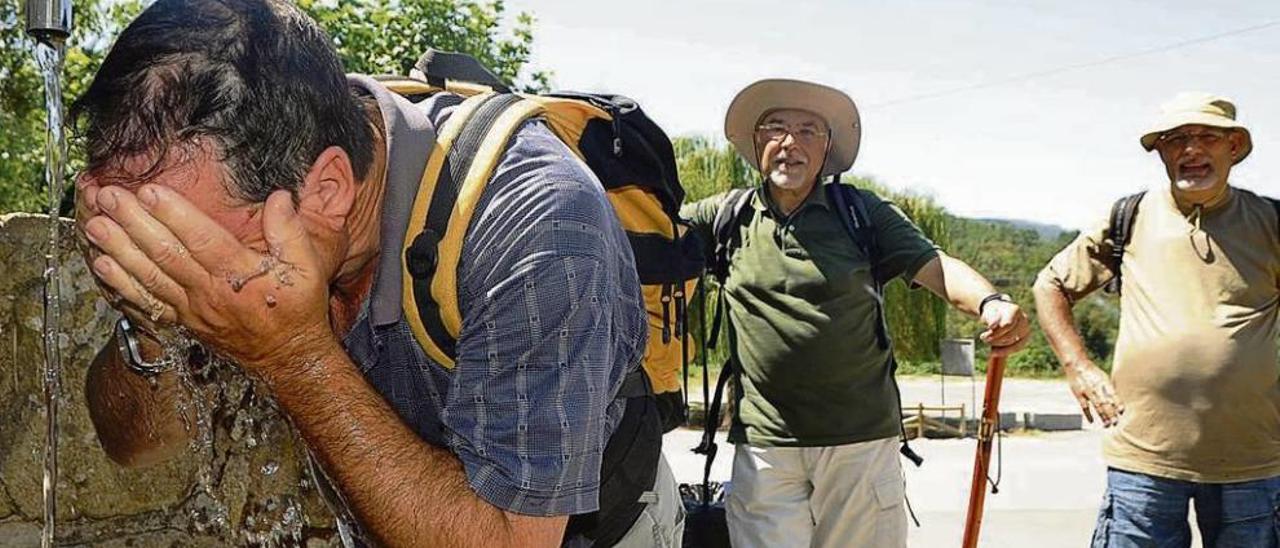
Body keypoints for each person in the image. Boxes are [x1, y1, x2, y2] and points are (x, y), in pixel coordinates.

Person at [71, 0, 681, 545]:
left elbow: (509, 539)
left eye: (178, 240)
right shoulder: (255, 181)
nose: (169, 259)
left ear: (329, 189)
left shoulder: (538, 222)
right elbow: (135, 446)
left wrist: (295, 356)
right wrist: (151, 321)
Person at [679, 78, 1031, 548]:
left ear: (827, 149)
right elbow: (653, 240)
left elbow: (935, 266)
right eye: (776, 127)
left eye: (809, 131)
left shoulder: (861, 213)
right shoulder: (724, 217)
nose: (790, 143)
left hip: (860, 442)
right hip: (765, 446)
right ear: (756, 141)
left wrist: (992, 303)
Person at [1034, 92, 1280, 548]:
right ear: (1162, 152)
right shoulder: (1128, 217)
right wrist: (1079, 367)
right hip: (1144, 462)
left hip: (1254, 462)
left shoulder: (1270, 222)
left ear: (1233, 148)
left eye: (1207, 137)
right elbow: (1051, 285)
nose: (1191, 150)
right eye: (1177, 139)